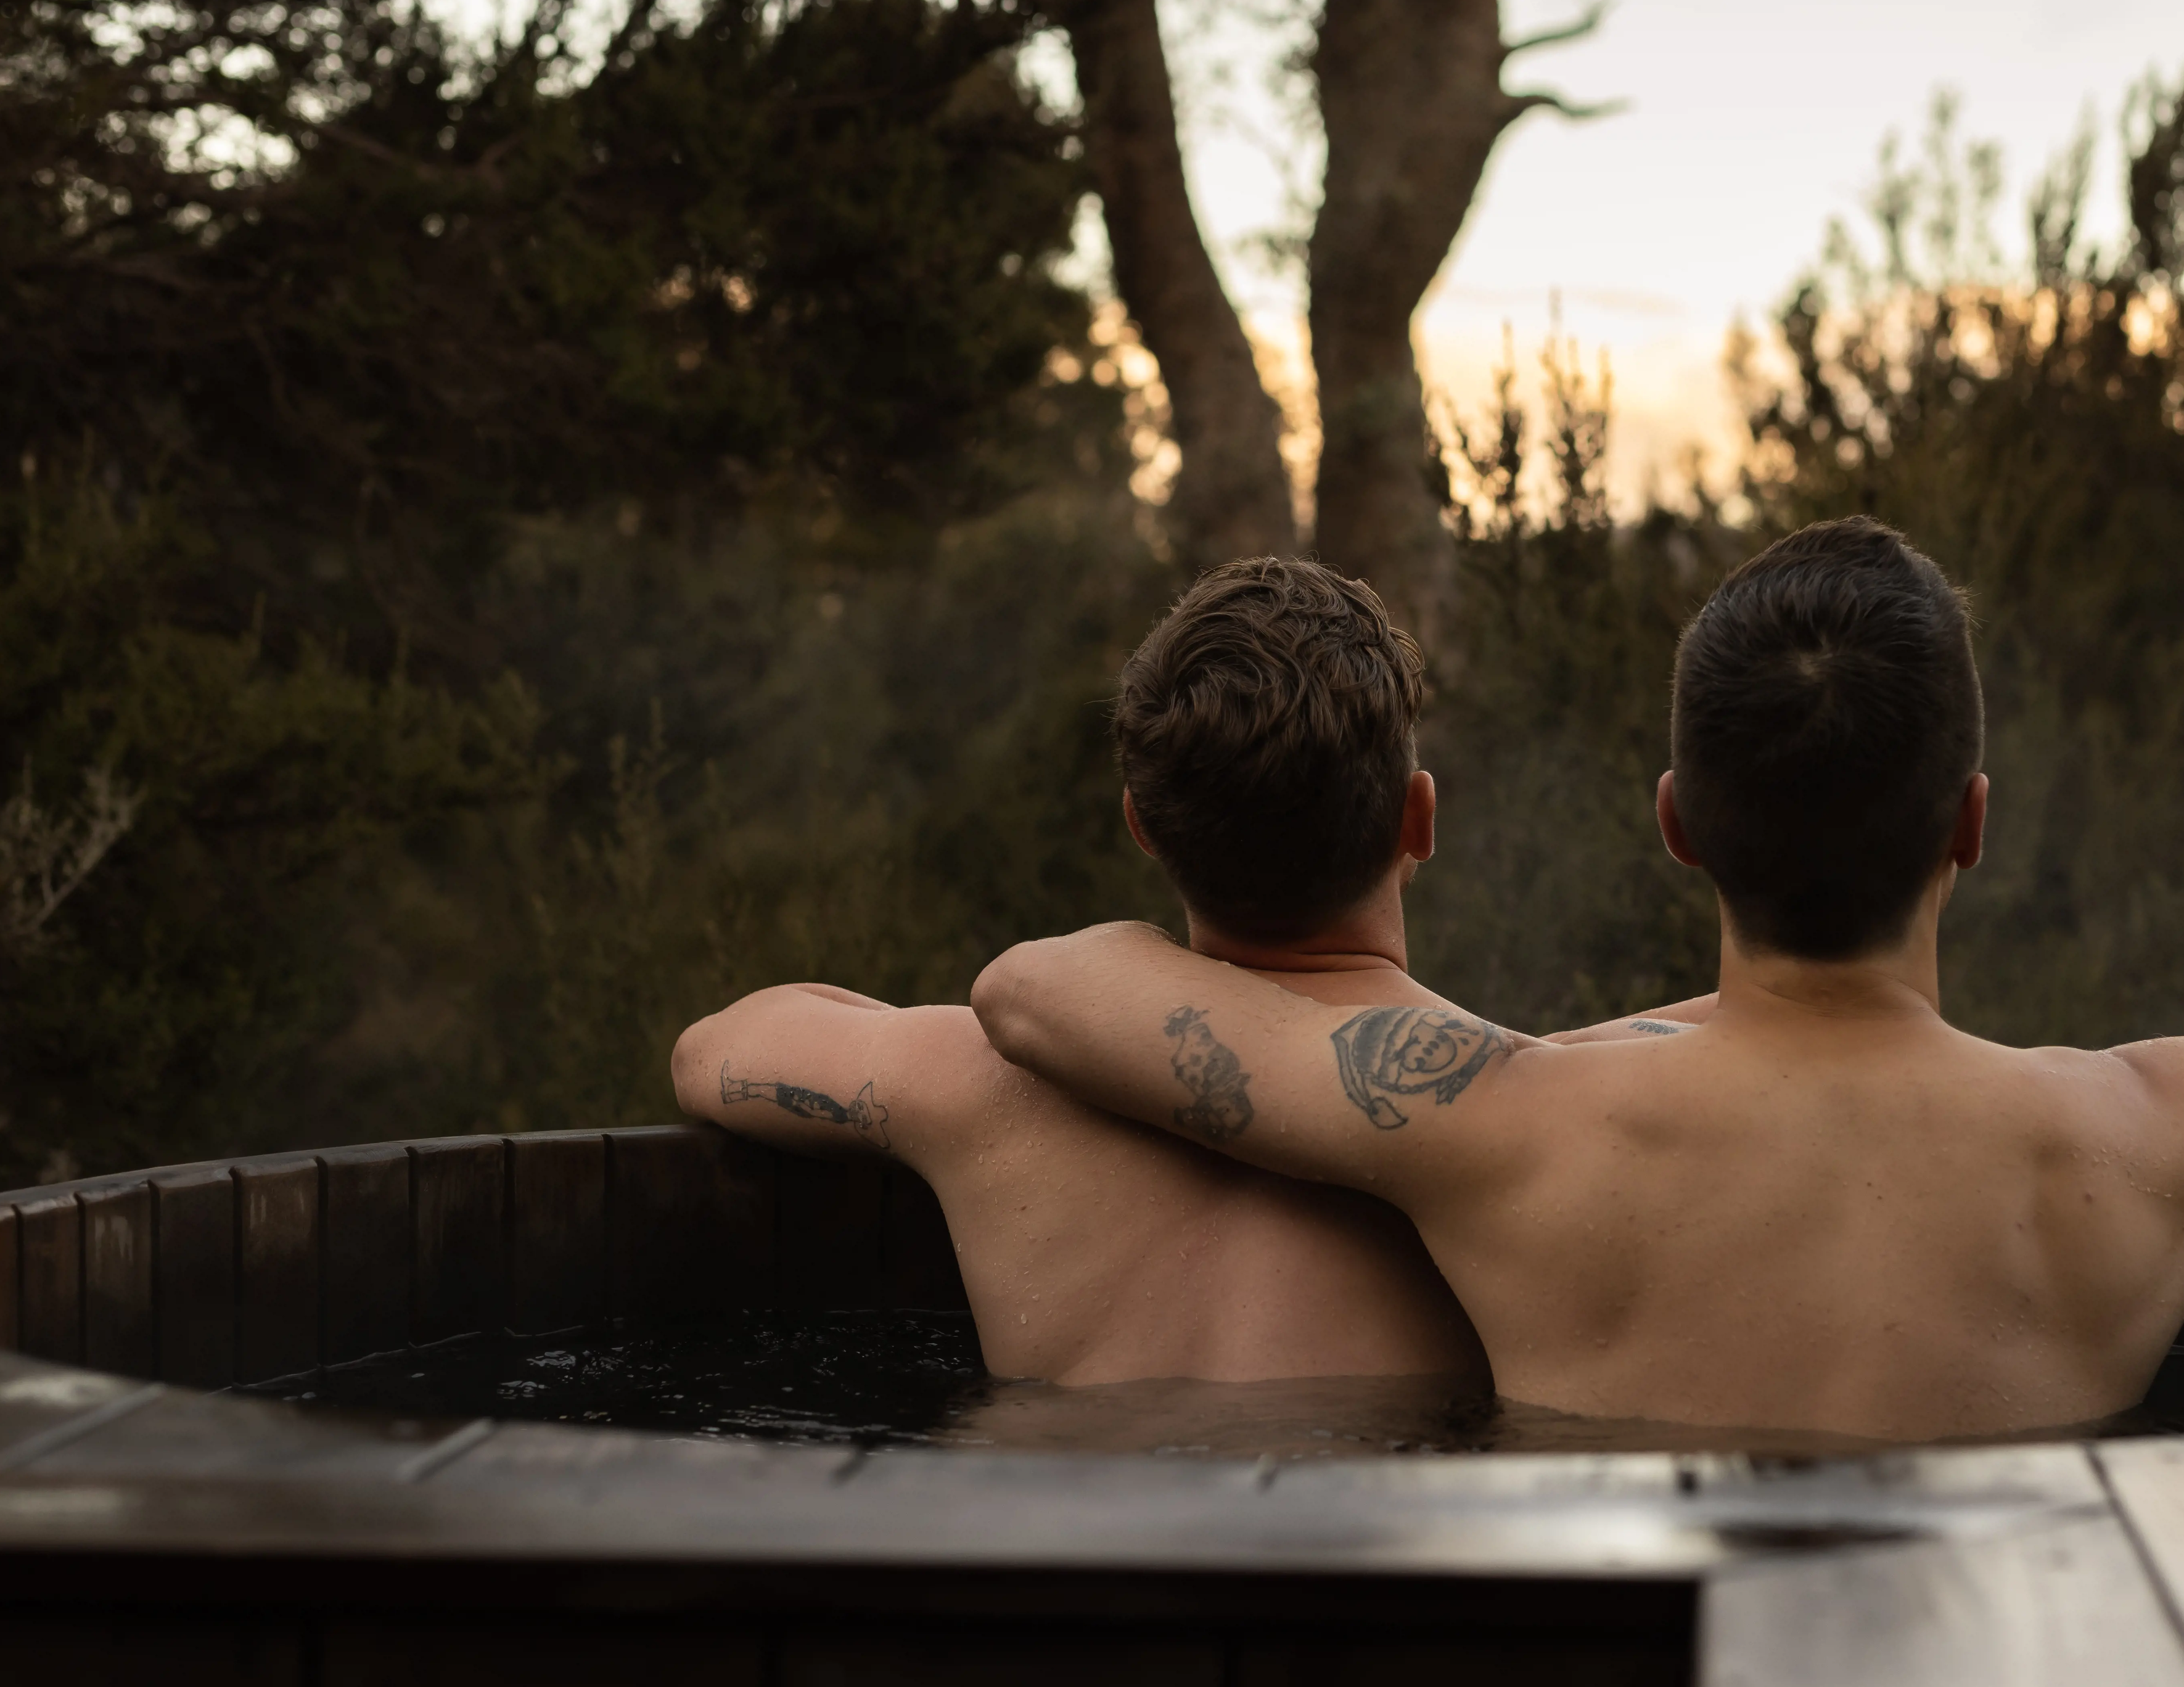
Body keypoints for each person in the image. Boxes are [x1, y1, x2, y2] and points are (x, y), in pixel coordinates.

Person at [973, 518, 2184, 1441]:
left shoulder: (1505, 1122)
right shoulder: (2152, 1126)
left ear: (1674, 824)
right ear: (1969, 823)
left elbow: (1041, 995)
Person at [672, 557, 1674, 1390]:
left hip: (1073, 1609)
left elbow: (712, 1049)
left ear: (1142, 825)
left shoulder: (980, 1081)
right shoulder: (1515, 1123)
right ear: (1418, 815)